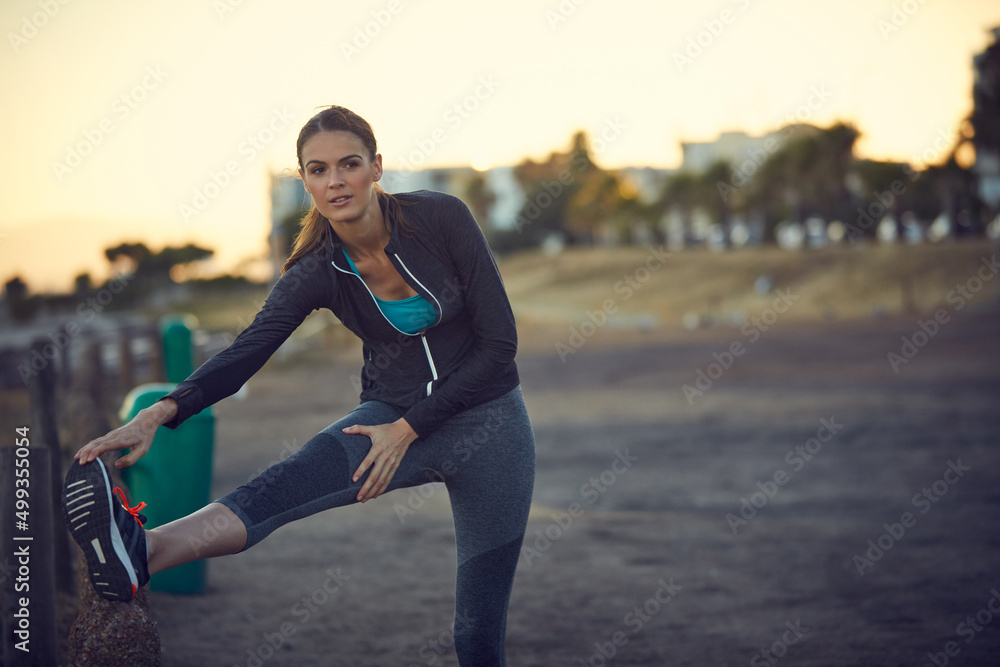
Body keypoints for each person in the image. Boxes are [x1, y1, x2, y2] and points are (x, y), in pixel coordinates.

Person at [62, 105, 536, 666]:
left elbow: (499, 349)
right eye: (317, 170)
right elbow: (246, 352)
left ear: (377, 167)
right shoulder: (317, 268)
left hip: (490, 427)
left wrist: (409, 429)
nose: (335, 181)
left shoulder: (441, 219)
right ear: (305, 180)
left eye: (349, 164)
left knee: (477, 631)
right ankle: (141, 551)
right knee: (282, 485)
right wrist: (159, 412)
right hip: (387, 419)